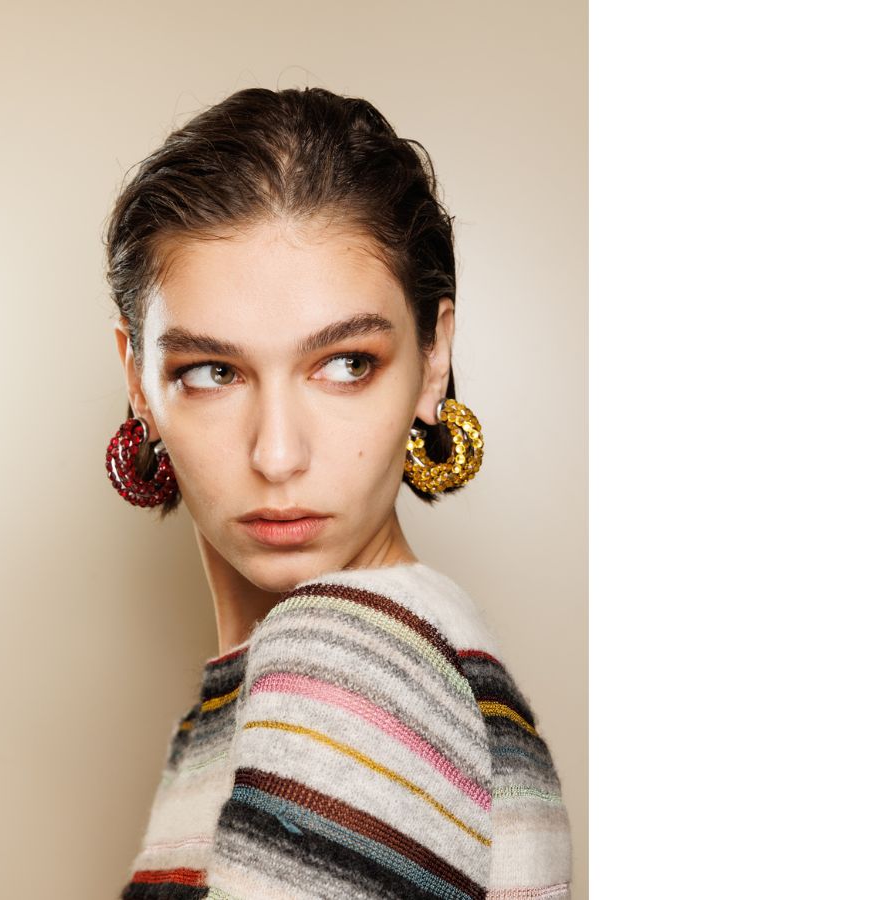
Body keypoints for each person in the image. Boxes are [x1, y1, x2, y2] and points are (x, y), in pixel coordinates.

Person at [105, 86, 572, 899]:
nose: (278, 455)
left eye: (347, 363)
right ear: (137, 379)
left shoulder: (342, 663)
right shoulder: (427, 646)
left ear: (434, 357)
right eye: (211, 372)